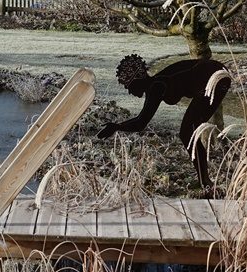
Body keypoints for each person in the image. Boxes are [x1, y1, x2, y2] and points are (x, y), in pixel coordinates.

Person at [97, 54, 231, 196]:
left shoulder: (156, 86)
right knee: (188, 132)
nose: (128, 90)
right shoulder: (155, 85)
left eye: (128, 85)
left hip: (214, 77)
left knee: (188, 132)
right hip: (211, 76)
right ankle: (204, 181)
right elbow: (141, 122)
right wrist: (117, 127)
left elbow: (141, 123)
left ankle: (206, 182)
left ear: (137, 79)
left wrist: (116, 127)